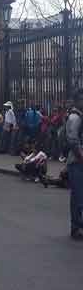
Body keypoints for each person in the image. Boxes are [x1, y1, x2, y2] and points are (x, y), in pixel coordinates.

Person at [66, 89, 83, 240]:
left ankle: (77, 225)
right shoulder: (75, 117)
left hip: (78, 161)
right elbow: (72, 141)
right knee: (78, 196)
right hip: (77, 162)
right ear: (77, 101)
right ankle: (76, 227)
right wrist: (81, 156)